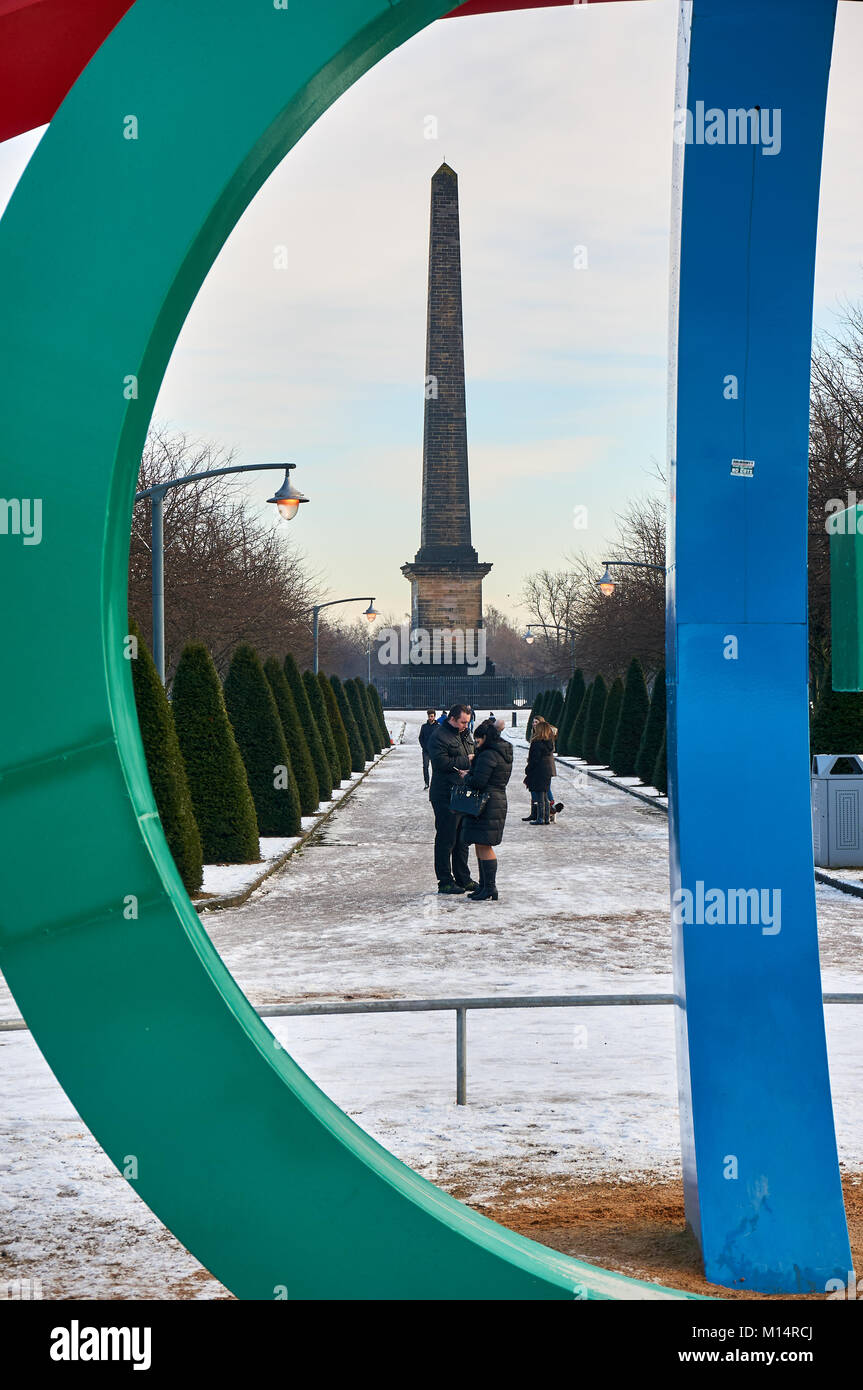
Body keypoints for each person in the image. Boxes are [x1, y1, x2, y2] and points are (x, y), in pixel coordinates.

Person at [456, 718, 513, 900]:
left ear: (486, 738)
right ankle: (484, 887)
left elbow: (479, 782)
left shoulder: (489, 755)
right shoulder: (499, 752)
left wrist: (466, 776)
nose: (477, 743)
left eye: (478, 740)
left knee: (486, 846)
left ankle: (490, 888)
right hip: (493, 801)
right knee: (481, 844)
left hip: (487, 803)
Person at [428, 704, 479, 894]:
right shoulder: (439, 736)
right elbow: (441, 763)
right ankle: (445, 881)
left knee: (462, 839)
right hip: (444, 794)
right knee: (446, 838)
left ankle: (463, 878)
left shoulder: (465, 734)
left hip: (462, 792)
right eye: (463, 722)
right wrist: (469, 760)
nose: (466, 725)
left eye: (468, 721)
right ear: (452, 719)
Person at [524, 716, 564, 825]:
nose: (534, 725)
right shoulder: (548, 742)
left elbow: (534, 759)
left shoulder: (537, 743)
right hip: (546, 770)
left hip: (539, 771)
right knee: (545, 794)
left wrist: (528, 769)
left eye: (536, 723)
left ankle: (540, 818)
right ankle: (546, 817)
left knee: (540, 795)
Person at [418, 709, 437, 789]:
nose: (430, 718)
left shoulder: (438, 727)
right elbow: (420, 738)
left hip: (435, 751)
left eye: (432, 716)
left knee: (435, 768)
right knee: (425, 767)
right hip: (426, 751)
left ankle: (434, 783)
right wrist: (424, 746)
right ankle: (426, 783)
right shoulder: (424, 726)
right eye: (429, 716)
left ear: (434, 717)